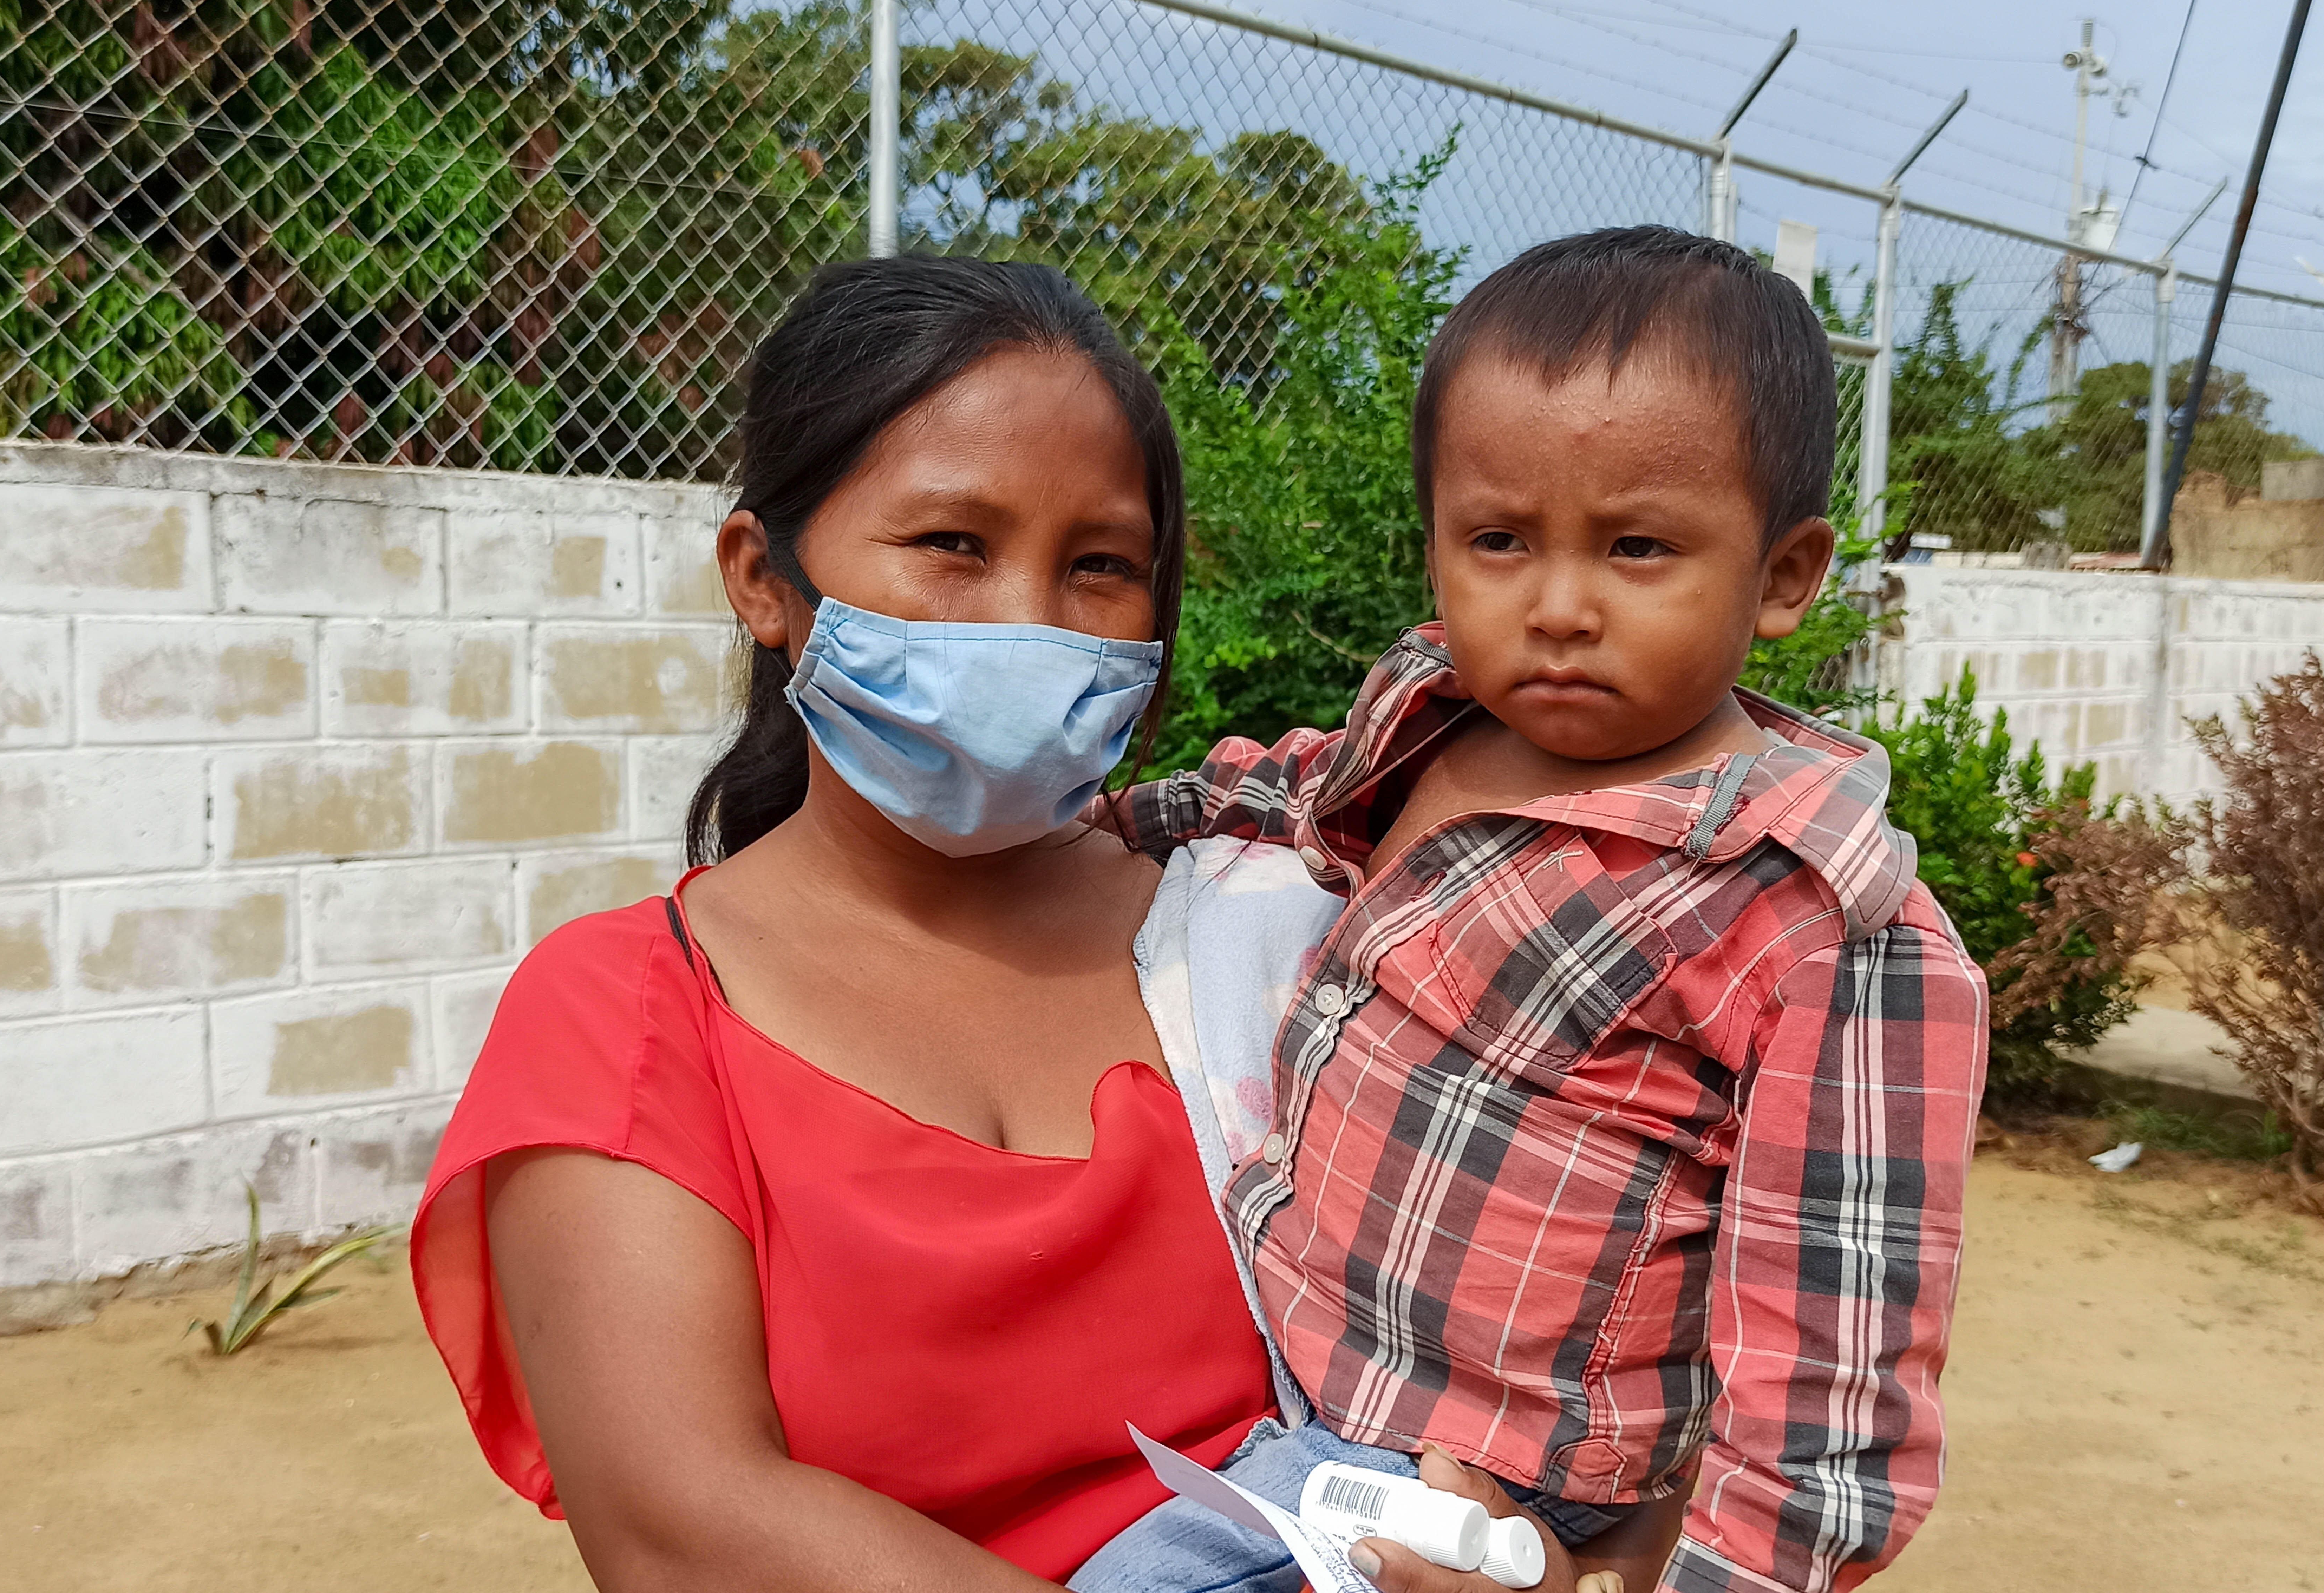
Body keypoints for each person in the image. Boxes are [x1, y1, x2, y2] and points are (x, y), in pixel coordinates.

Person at [411, 254, 1679, 1593]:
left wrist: (1563, 1564)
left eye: (1100, 565)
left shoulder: (1273, 937)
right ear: (763, 579)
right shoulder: (629, 1013)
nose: (1029, 621)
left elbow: (1603, 1312)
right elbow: (684, 1520)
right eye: (954, 545)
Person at [1082, 226, 1992, 1593]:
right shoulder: (1441, 720)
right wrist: (1103, 820)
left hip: (1459, 1472)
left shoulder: (1819, 922)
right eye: (1500, 540)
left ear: (1784, 574)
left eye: (1638, 547)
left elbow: (1830, 1388)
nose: (1559, 606)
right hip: (1295, 1338)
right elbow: (1285, 789)